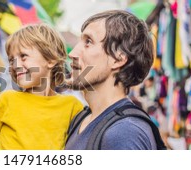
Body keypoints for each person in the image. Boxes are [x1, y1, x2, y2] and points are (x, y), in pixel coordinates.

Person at [0, 24, 84, 150]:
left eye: (23, 56)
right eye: (11, 60)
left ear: (50, 60)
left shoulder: (73, 107)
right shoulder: (7, 100)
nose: (15, 65)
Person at [65, 10, 163, 150]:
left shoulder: (124, 133)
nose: (72, 53)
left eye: (88, 42)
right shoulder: (81, 119)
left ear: (118, 59)